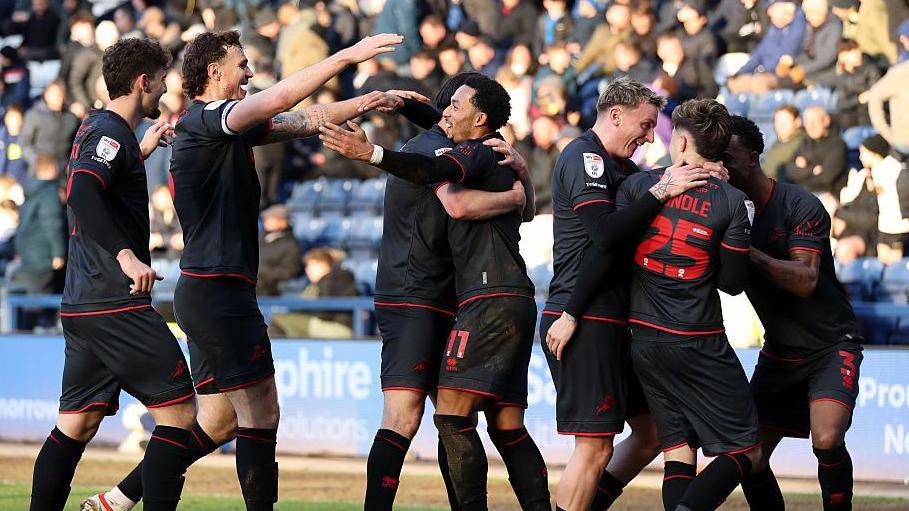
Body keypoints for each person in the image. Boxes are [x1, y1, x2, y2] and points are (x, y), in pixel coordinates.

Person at [80, 31, 407, 511]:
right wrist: (347, 56)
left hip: (210, 290)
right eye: (241, 65)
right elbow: (279, 98)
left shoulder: (220, 126)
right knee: (262, 413)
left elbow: (303, 119)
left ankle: (119, 498)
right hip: (219, 292)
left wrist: (367, 101)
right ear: (214, 72)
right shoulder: (208, 117)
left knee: (216, 422)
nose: (249, 74)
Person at [320, 73, 549, 511]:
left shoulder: (457, 152)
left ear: (478, 118)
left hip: (464, 297)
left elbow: (454, 196)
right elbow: (456, 152)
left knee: (446, 417)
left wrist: (371, 150)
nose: (444, 113)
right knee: (472, 421)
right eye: (444, 107)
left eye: (454, 106)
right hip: (422, 296)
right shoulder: (484, 150)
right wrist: (519, 195)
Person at [29, 38, 196, 511]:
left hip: (82, 304)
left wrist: (137, 152)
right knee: (180, 417)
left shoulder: (101, 130)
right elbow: (82, 195)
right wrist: (125, 255)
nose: (165, 88)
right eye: (161, 79)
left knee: (75, 426)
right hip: (115, 301)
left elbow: (97, 180)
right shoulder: (109, 134)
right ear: (143, 82)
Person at [540, 79, 711, 511]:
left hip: (615, 317)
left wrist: (702, 175)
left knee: (653, 430)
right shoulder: (585, 157)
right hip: (581, 315)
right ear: (615, 115)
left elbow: (648, 198)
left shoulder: (624, 170)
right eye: (647, 124)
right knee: (595, 447)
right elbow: (604, 234)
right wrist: (661, 189)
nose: (651, 137)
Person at [620, 99, 759, 511]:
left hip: (643, 340)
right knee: (747, 452)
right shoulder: (731, 201)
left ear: (680, 142)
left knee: (678, 450)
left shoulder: (636, 186)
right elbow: (734, 284)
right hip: (698, 339)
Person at [725, 115, 864, 511]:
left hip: (831, 344)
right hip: (780, 351)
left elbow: (805, 279)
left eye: (730, 157)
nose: (723, 166)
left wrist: (745, 253)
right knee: (749, 457)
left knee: (826, 438)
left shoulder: (799, 204)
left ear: (752, 158)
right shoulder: (729, 210)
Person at [268, 247, 358, 339]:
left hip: (339, 328)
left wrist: (305, 313)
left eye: (312, 265)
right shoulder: (314, 285)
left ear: (324, 264)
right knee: (282, 321)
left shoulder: (336, 278)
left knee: (280, 321)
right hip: (321, 323)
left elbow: (324, 312)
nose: (308, 270)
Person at [13, 153, 64, 297]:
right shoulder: (48, 193)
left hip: (29, 253)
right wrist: (58, 253)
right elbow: (52, 223)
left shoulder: (30, 191)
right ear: (52, 168)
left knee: (35, 298)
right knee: (43, 302)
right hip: (44, 255)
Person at [20, 80, 81, 172]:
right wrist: (38, 162)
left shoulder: (71, 118)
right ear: (46, 95)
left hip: (64, 171)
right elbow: (24, 144)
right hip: (39, 172)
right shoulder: (34, 115)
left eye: (60, 95)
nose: (58, 98)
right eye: (54, 95)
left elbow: (77, 145)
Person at [256, 204, 301, 297]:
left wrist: (263, 272)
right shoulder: (260, 239)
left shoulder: (291, 245)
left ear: (283, 222)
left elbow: (290, 271)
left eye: (270, 219)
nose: (265, 221)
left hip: (268, 289)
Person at [764, 105, 805, 181]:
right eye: (777, 121)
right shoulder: (776, 143)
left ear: (797, 122)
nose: (780, 125)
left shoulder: (804, 144)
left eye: (785, 121)